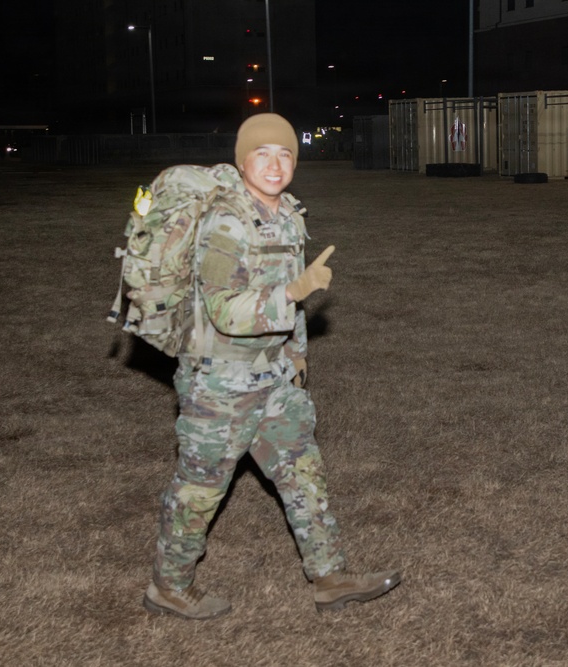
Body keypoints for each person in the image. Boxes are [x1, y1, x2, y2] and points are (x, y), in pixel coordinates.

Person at [143, 113, 401, 620]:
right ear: (243, 160)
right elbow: (224, 310)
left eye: (284, 153)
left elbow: (290, 306)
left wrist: (295, 353)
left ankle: (330, 576)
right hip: (220, 384)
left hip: (274, 378)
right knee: (199, 490)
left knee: (304, 472)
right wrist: (292, 292)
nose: (274, 164)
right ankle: (167, 587)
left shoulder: (286, 214)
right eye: (262, 153)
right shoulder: (226, 222)